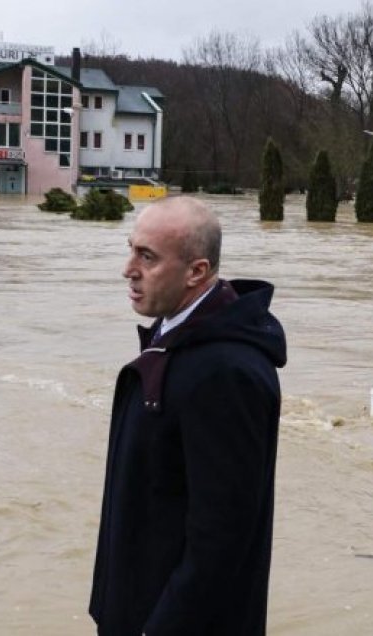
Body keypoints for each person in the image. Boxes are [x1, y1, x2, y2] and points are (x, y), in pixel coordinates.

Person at [89, 196, 286, 635]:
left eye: (147, 257)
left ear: (196, 271)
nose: (128, 269)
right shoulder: (172, 335)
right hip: (139, 607)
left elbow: (221, 537)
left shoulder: (226, 372)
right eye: (131, 249)